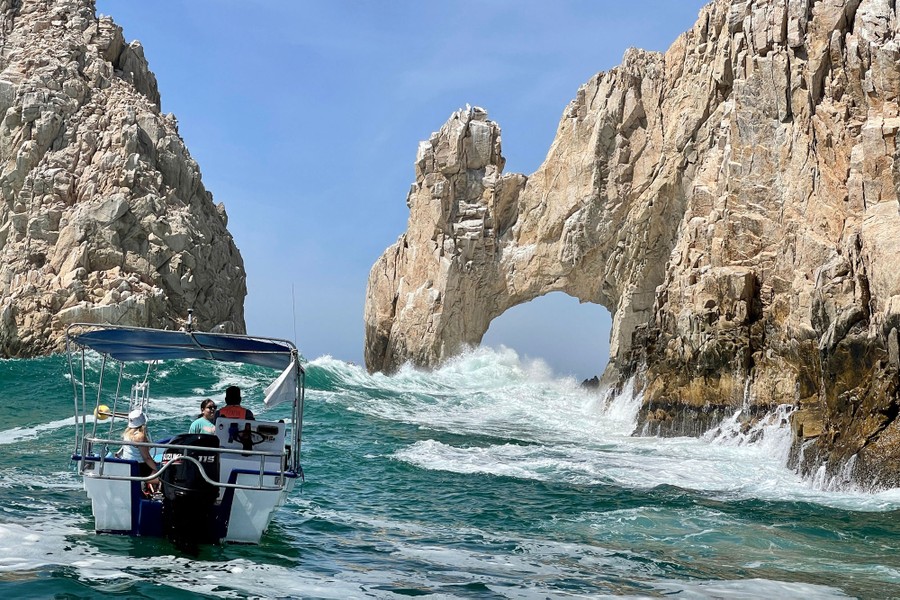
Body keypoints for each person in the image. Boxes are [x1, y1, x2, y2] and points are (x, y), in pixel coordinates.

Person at [121, 409, 159, 494]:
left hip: (128, 465)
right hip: (139, 467)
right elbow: (146, 457)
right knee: (163, 479)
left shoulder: (127, 434)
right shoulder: (140, 436)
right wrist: (156, 470)